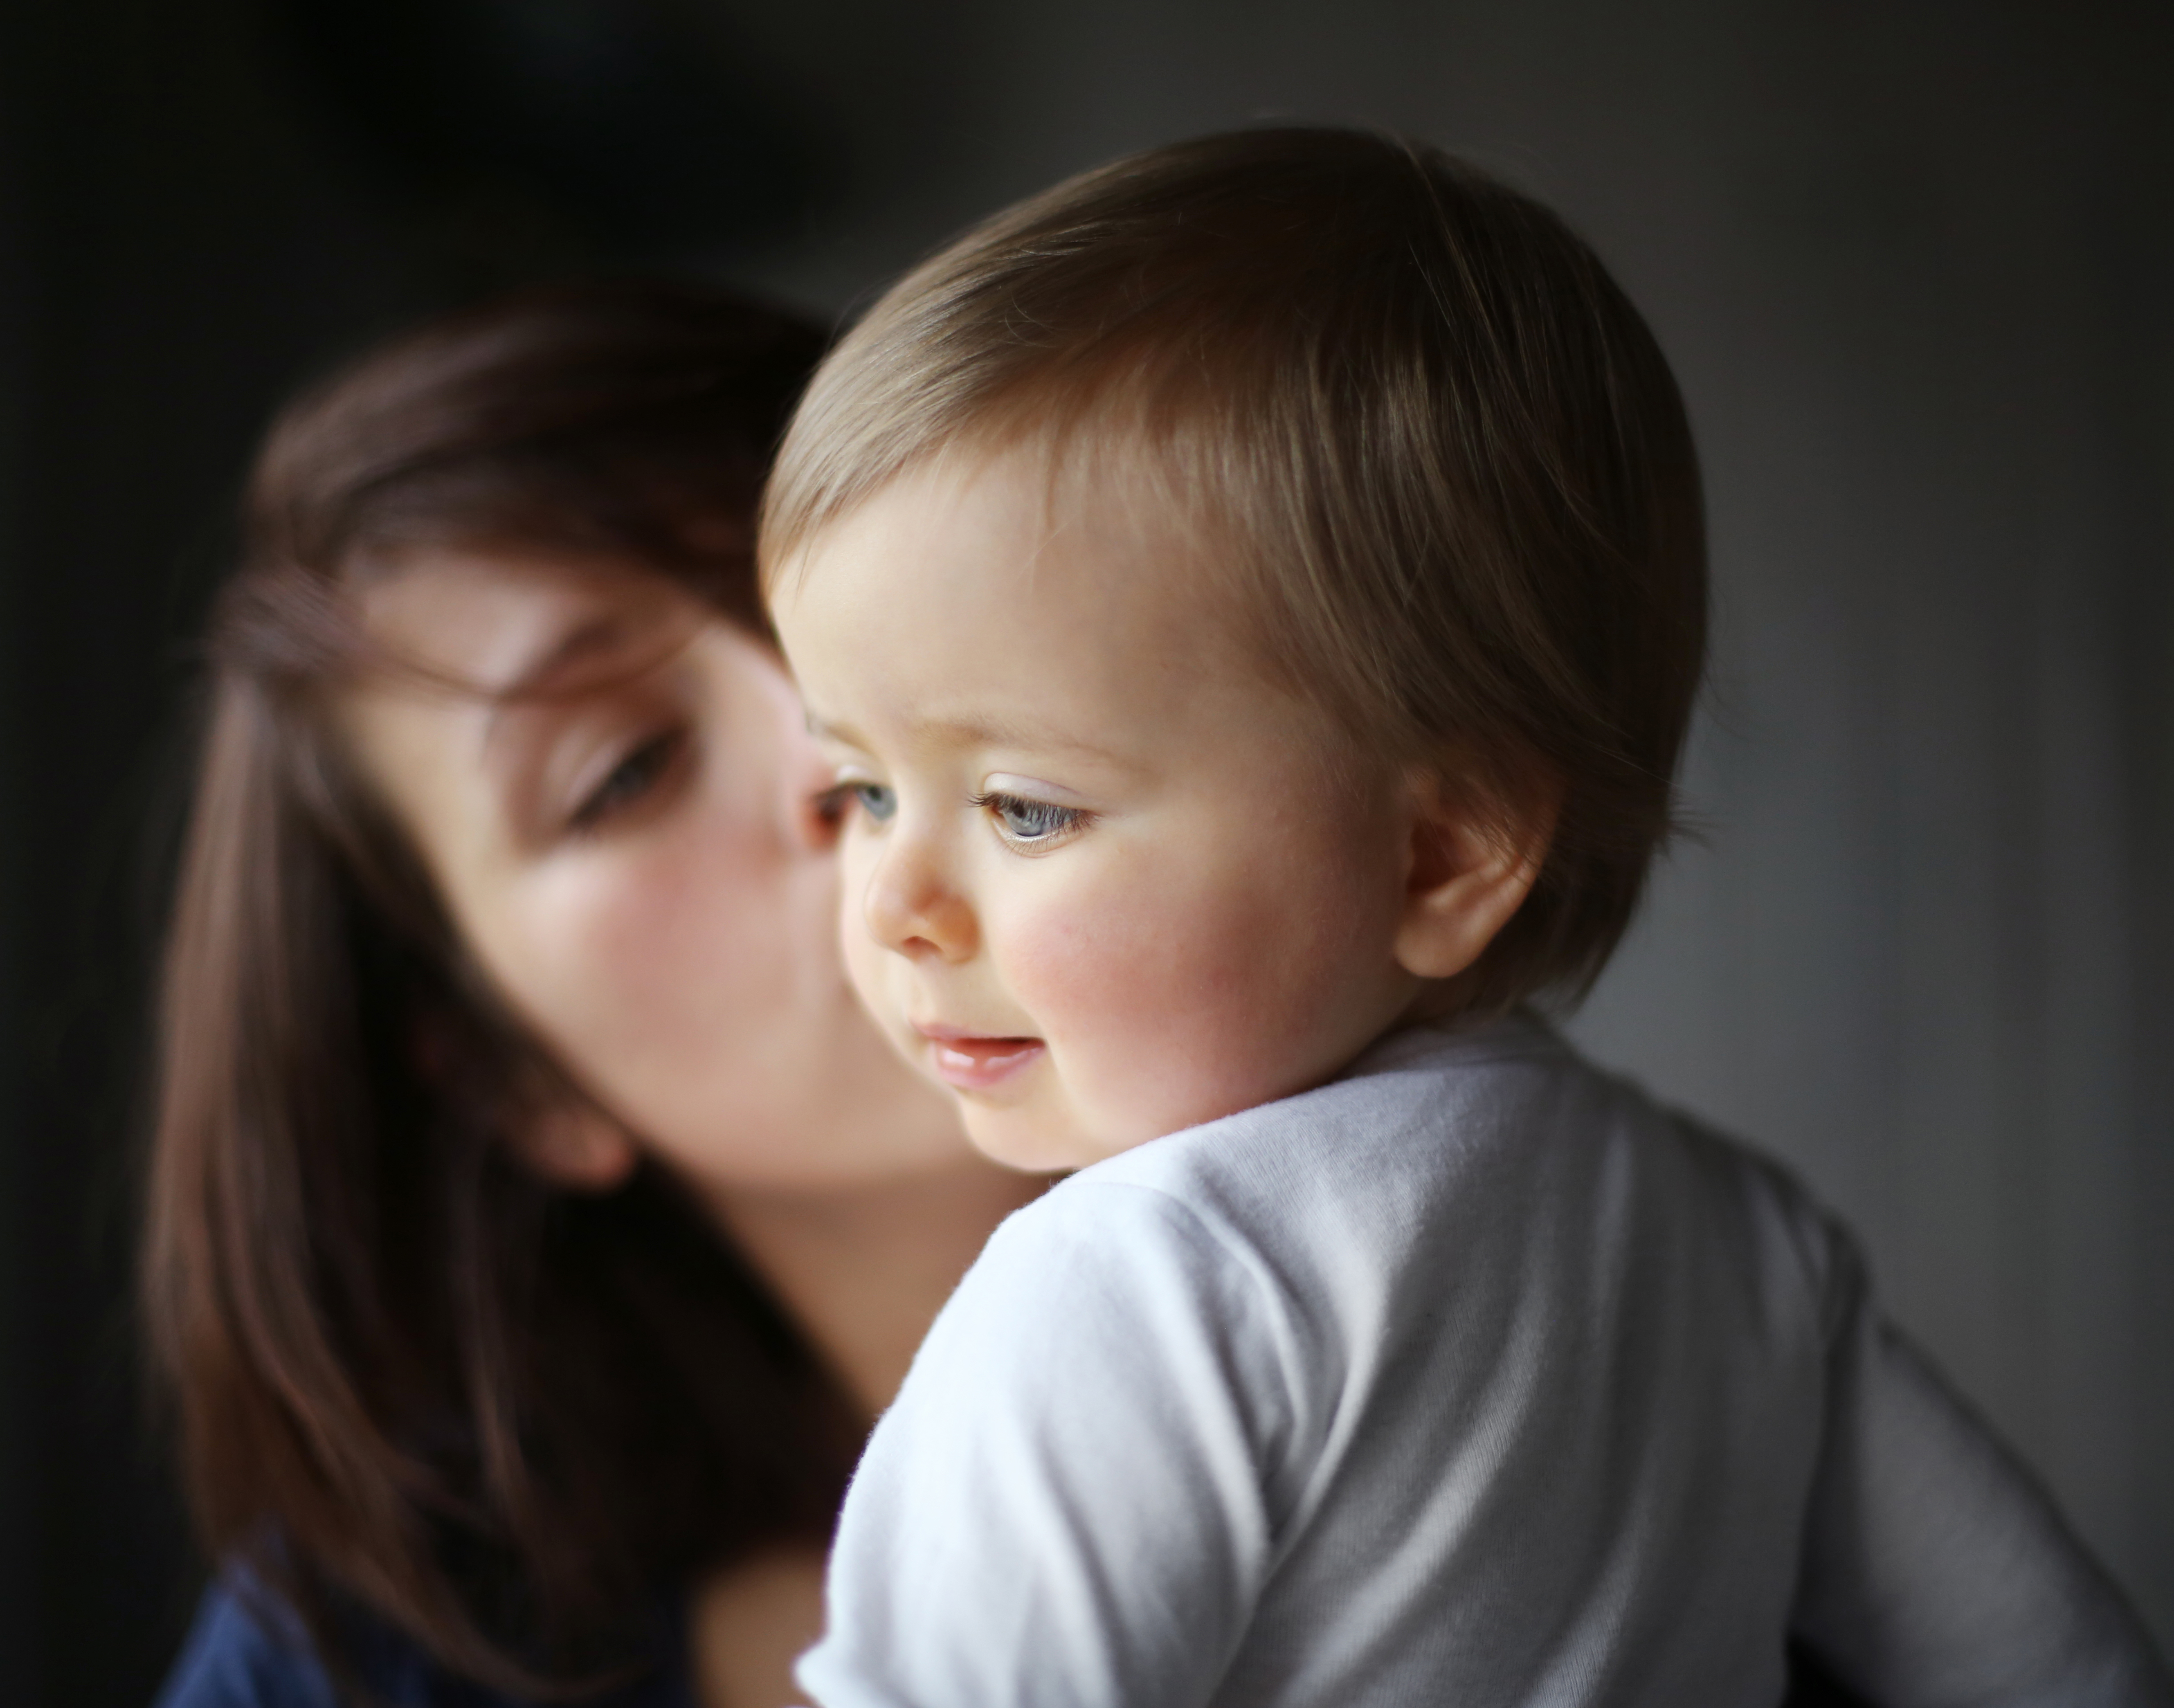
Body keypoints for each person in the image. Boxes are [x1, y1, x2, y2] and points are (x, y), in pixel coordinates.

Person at [762, 129, 2174, 1706]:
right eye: (860, 792)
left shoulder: (1142, 1287)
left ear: (1441, 859)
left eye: (1027, 808)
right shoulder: (1734, 1241)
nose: (891, 906)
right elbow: (2055, 1666)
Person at [144, 281, 1047, 1708]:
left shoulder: (1507, 1302)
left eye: (821, 583)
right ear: (523, 1083)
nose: (830, 741)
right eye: (624, 772)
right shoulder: (367, 1665)